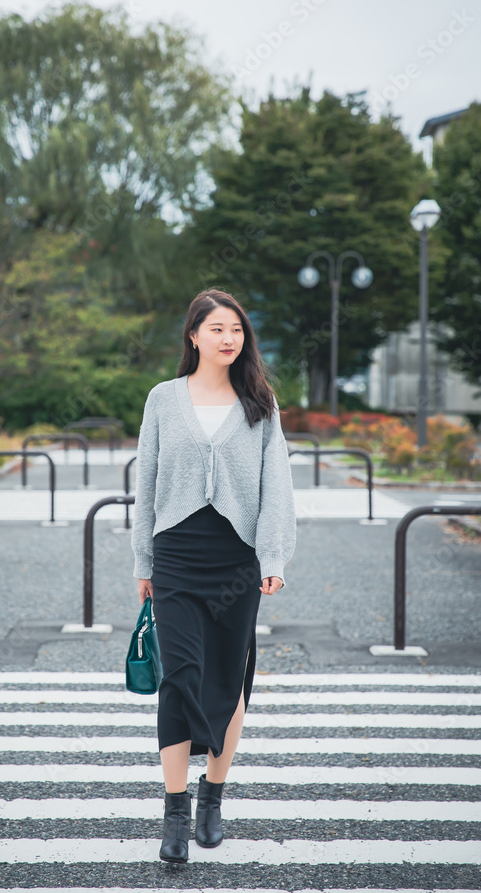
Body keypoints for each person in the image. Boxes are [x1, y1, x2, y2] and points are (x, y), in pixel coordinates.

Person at [131, 288, 297, 864]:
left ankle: (212, 799)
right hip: (176, 553)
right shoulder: (163, 399)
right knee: (179, 675)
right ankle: (175, 812)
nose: (230, 338)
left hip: (237, 558)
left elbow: (276, 485)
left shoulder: (260, 401)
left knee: (229, 678)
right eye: (218, 329)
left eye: (237, 330)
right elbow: (145, 486)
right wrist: (143, 564)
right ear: (194, 335)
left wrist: (272, 559)